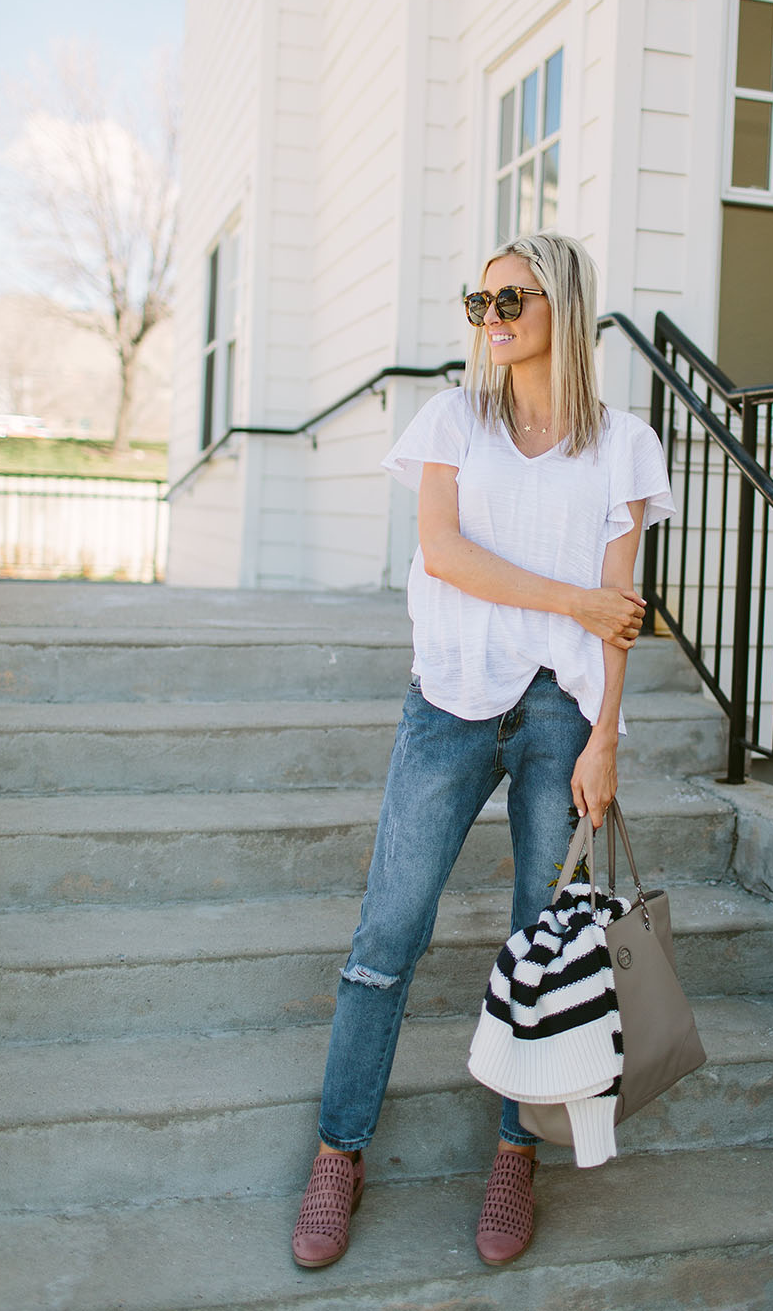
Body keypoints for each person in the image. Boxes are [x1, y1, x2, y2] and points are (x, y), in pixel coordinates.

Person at [291, 230, 675, 1271]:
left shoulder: (623, 446)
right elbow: (444, 555)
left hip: (561, 715)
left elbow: (618, 621)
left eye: (512, 300)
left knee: (538, 941)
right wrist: (572, 598)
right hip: (451, 701)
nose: (492, 318)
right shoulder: (452, 419)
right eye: (481, 301)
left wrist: (605, 740)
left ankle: (516, 1151)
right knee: (388, 934)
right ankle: (339, 1151)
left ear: (563, 308)